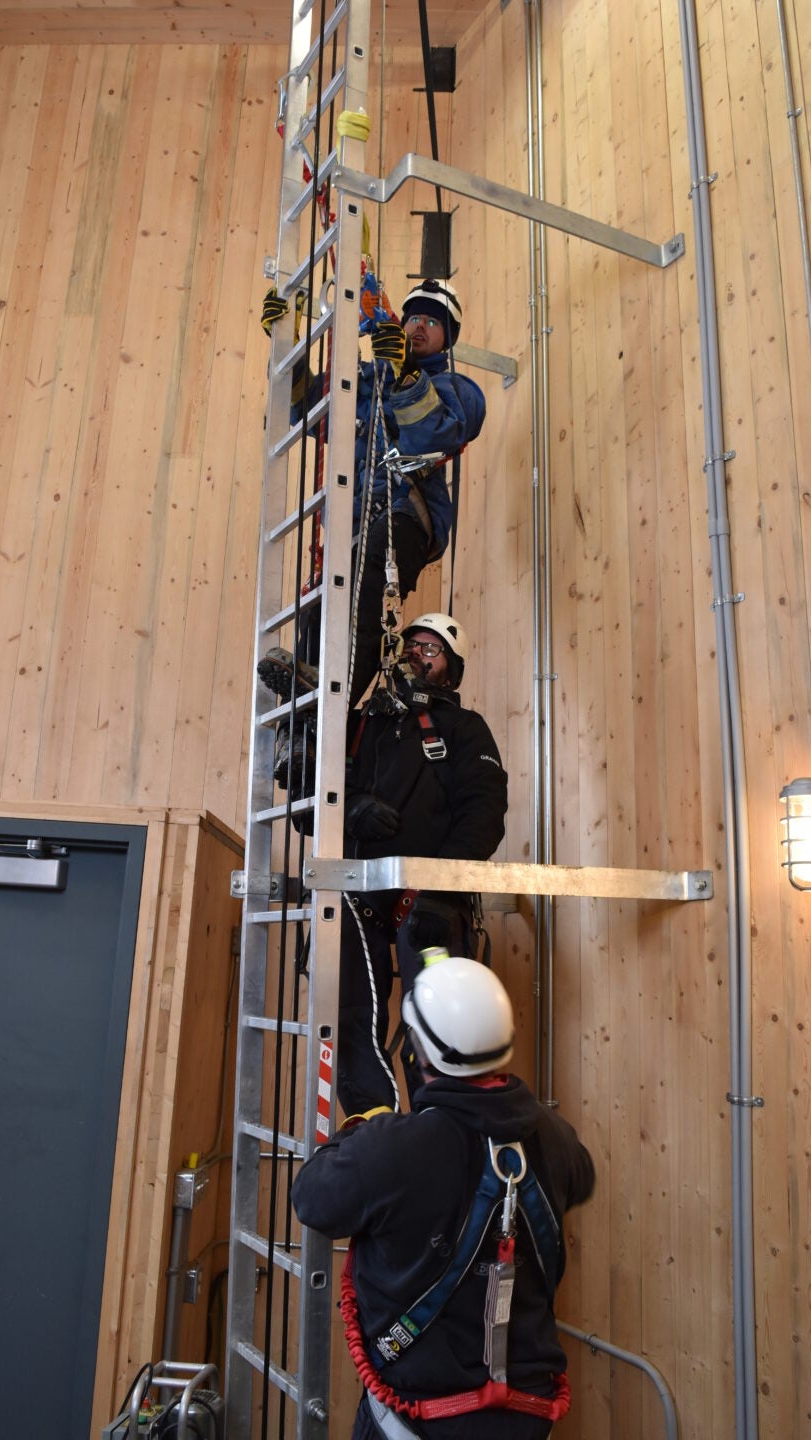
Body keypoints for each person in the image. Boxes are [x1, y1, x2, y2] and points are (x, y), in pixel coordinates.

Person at [291, 955, 595, 1439]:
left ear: (419, 1054)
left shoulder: (392, 1149)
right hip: (527, 1419)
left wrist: (358, 1134)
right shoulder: (555, 1138)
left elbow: (312, 1198)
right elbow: (583, 1176)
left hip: (414, 1421)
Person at [258, 278, 486, 708]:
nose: (419, 327)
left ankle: (333, 700)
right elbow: (312, 408)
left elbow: (435, 435)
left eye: (431, 322)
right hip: (355, 517)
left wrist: (405, 373)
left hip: (406, 513)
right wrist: (288, 347)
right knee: (320, 604)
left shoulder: (460, 391)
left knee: (367, 597)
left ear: (447, 338)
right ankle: (305, 718)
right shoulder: (367, 380)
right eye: (413, 317)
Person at [335, 610, 507, 1115]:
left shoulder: (464, 729)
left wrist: (440, 888)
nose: (415, 653)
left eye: (430, 649)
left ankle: (440, 1123)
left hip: (427, 899)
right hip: (358, 891)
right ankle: (370, 1120)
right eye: (410, 645)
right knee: (346, 1012)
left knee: (437, 1017)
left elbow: (483, 815)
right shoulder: (363, 726)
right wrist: (350, 810)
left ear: (451, 671)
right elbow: (311, 797)